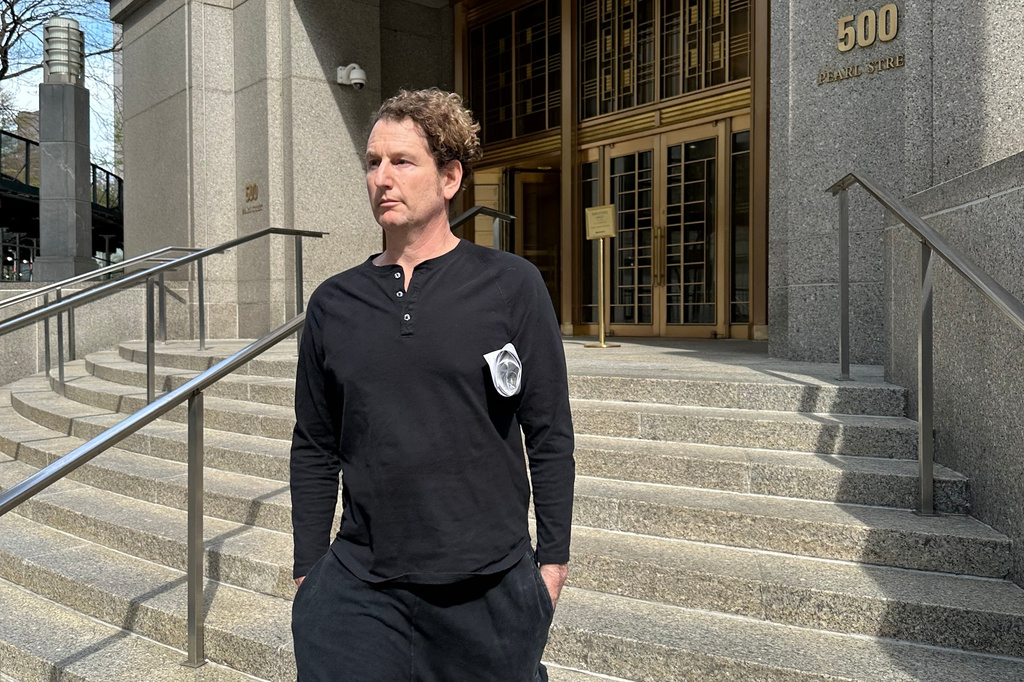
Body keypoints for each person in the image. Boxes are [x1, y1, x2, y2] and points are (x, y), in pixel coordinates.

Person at [289, 88, 576, 682]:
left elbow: (548, 431)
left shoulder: (511, 285)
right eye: (373, 162)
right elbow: (315, 443)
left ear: (450, 178)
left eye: (402, 161)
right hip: (361, 587)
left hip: (489, 589)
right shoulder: (333, 303)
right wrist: (308, 570)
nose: (382, 178)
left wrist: (551, 563)